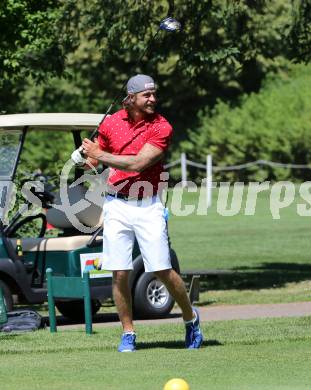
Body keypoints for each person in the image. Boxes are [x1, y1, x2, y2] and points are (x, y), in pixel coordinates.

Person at [81, 74, 203, 352]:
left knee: (161, 268)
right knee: (119, 271)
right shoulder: (110, 123)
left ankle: (190, 318)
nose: (153, 99)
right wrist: (85, 158)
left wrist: (99, 155)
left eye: (154, 94)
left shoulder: (161, 126)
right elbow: (93, 162)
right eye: (146, 95)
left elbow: (138, 164)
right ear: (131, 98)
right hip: (116, 203)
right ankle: (128, 333)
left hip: (148, 205)